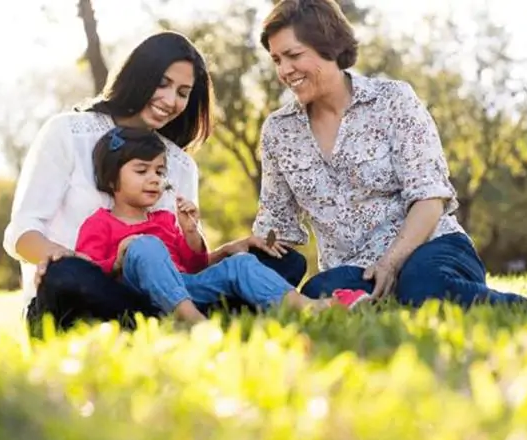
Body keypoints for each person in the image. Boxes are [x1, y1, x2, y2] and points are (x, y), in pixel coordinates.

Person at [2, 31, 308, 334]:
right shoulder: (68, 132)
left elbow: (182, 267)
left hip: (162, 295)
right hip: (89, 289)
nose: (169, 100)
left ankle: (171, 320)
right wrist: (62, 256)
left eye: (183, 92)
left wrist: (230, 250)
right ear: (138, 75)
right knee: (66, 276)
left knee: (283, 263)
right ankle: (185, 321)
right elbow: (22, 231)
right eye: (162, 83)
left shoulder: (179, 164)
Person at [252, 0, 527, 309]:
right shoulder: (278, 131)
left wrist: (391, 262)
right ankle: (389, 299)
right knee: (318, 292)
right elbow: (277, 226)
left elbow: (429, 198)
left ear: (330, 47)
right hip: (355, 269)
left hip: (431, 246)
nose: (284, 70)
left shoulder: (392, 100)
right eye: (276, 60)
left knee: (422, 284)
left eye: (294, 55)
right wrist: (240, 258)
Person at [75, 127, 365, 324]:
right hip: (138, 294)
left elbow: (193, 265)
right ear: (111, 179)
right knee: (145, 246)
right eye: (142, 171)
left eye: (159, 171)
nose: (154, 179)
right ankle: (191, 322)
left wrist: (190, 233)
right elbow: (88, 274)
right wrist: (120, 258)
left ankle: (306, 307)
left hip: (184, 287)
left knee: (239, 263)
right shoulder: (99, 223)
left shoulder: (164, 220)